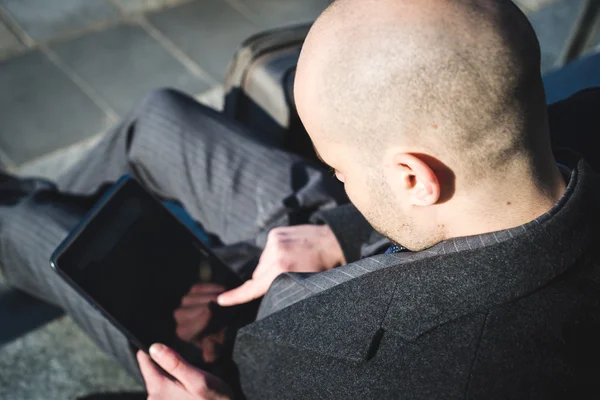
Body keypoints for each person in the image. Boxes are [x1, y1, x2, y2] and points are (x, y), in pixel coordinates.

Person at [2, 0, 600, 398]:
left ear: (413, 178)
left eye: (337, 167)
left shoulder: (440, 377)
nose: (336, 176)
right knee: (157, 118)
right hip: (350, 250)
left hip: (243, 360)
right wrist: (338, 233)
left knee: (32, 230)